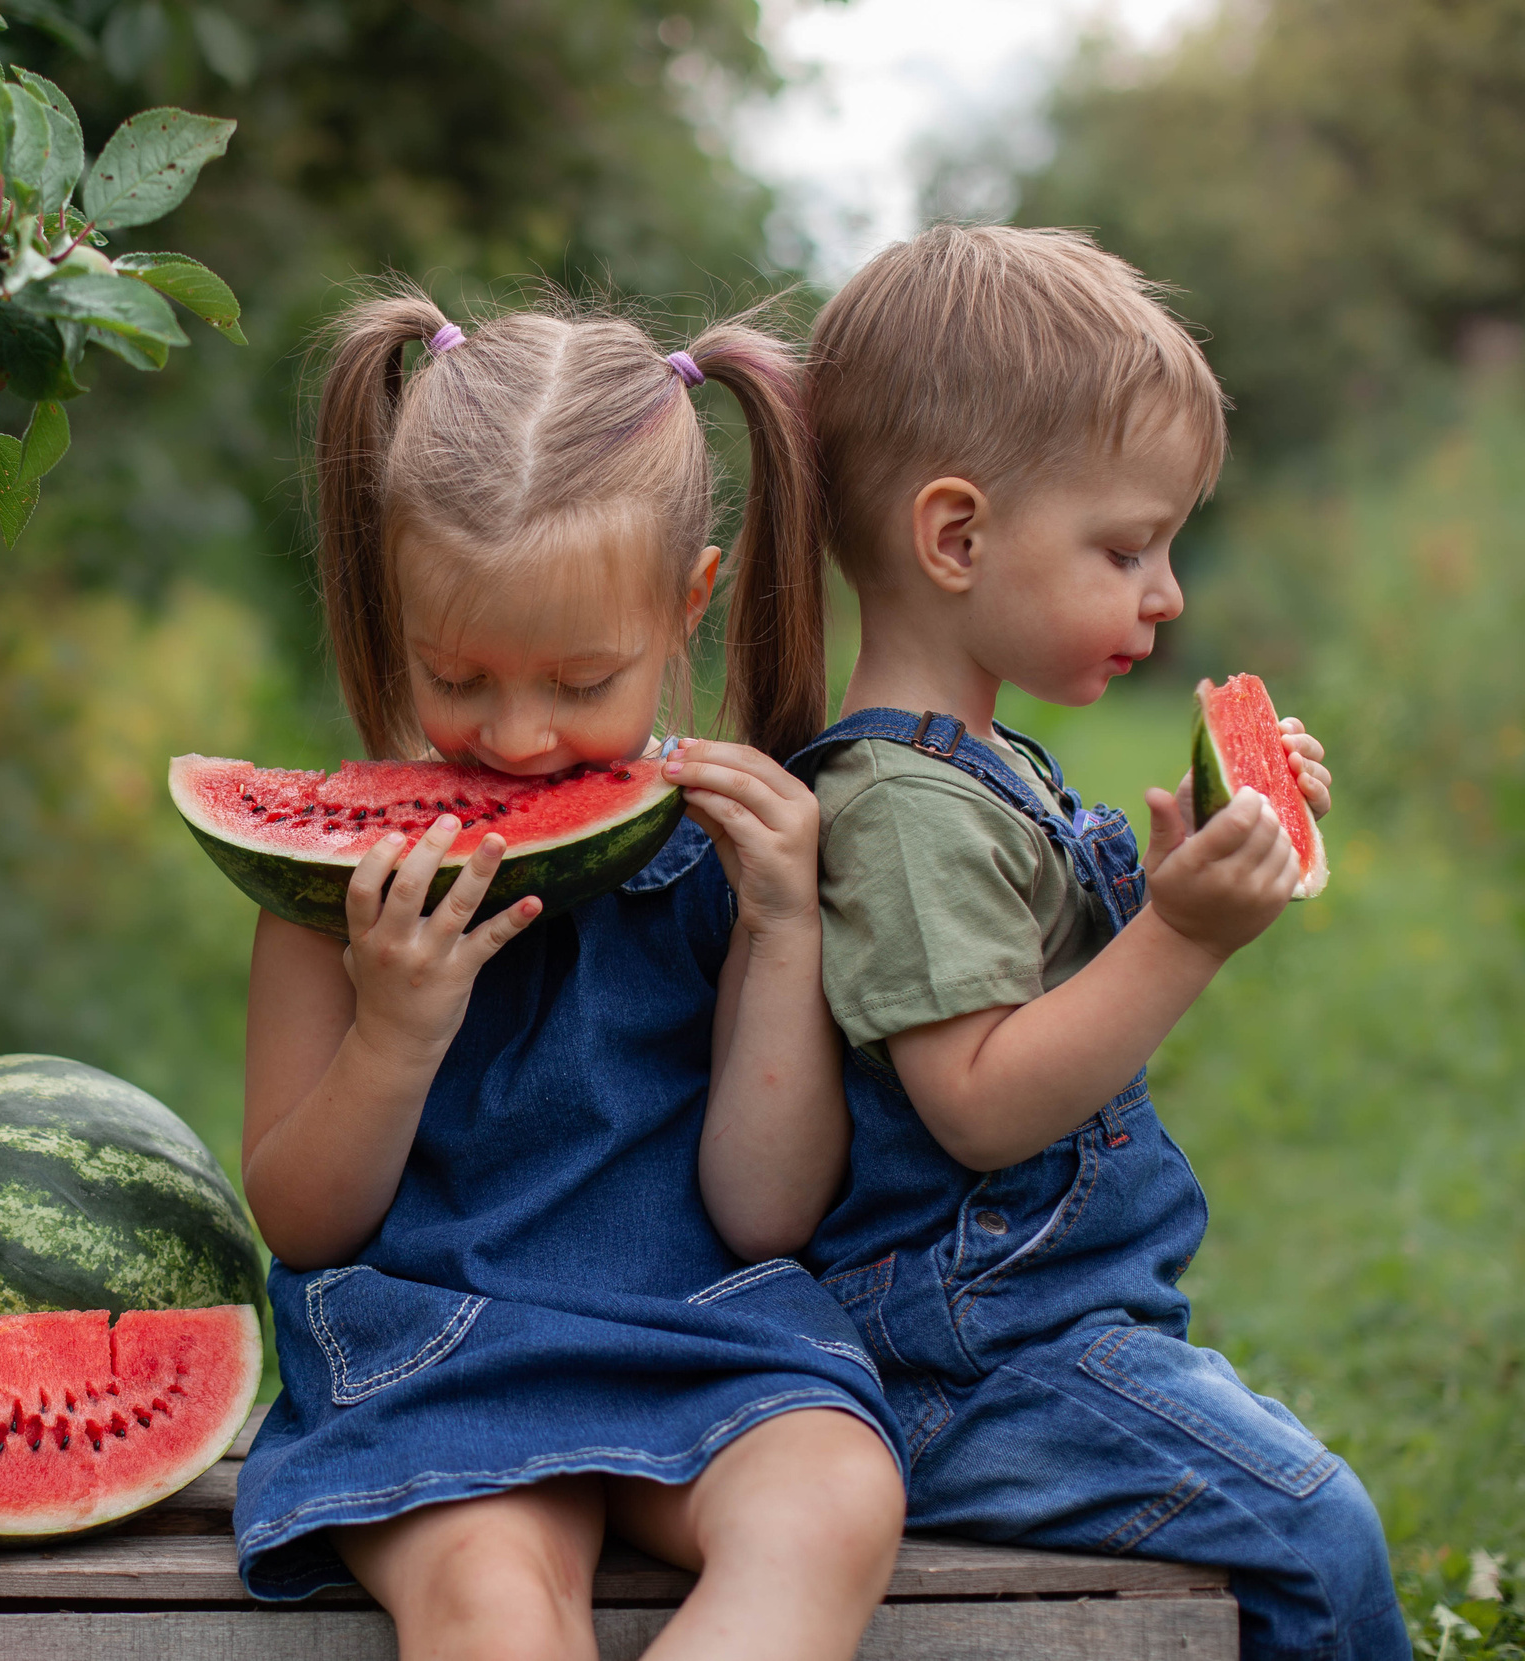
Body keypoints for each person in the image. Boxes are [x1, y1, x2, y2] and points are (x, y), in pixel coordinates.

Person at [229, 285, 907, 1661]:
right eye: (458, 677)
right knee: (492, 1598)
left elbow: (766, 1209)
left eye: (581, 680)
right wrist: (397, 1030)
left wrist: (782, 933)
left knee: (835, 1499)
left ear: (687, 607)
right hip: (436, 1349)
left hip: (703, 1329)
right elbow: (301, 1221)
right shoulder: (331, 894)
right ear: (394, 599)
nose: (519, 738)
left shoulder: (730, 863)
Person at [791, 224, 1404, 1661]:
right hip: (968, 1365)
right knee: (1322, 1538)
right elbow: (982, 1098)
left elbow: (1043, 997)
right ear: (957, 537)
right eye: (1125, 546)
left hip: (1053, 1332)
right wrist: (1180, 939)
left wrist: (1172, 875)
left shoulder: (981, 767)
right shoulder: (898, 811)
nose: (1167, 590)